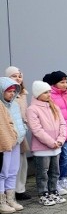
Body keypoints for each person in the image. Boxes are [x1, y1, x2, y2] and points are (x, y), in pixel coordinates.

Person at [27, 80, 67, 205]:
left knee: (55, 171)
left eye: (49, 92)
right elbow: (36, 129)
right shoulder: (32, 109)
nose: (48, 94)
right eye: (45, 92)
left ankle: (53, 190)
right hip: (42, 148)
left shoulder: (54, 106)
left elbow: (62, 124)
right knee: (42, 172)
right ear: (38, 94)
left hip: (57, 146)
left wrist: (60, 140)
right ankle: (43, 193)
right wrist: (51, 142)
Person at [44, 71, 67, 194]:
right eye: (62, 82)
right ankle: (57, 181)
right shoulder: (51, 96)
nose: (65, 84)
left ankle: (64, 179)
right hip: (60, 133)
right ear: (54, 84)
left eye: (66, 82)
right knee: (61, 158)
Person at [0, 77, 26, 213]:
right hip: (5, 143)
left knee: (13, 170)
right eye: (8, 91)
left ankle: (11, 198)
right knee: (3, 172)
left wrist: (23, 130)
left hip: (17, 141)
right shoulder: (1, 106)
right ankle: (2, 201)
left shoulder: (15, 105)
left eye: (13, 91)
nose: (11, 93)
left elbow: (19, 121)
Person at [5, 66, 31, 201]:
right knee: (8, 165)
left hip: (21, 130)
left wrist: (25, 126)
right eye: (14, 76)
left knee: (21, 161)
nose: (18, 78)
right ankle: (10, 191)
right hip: (10, 132)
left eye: (20, 76)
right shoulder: (6, 95)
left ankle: (20, 189)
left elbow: (24, 113)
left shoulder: (22, 94)